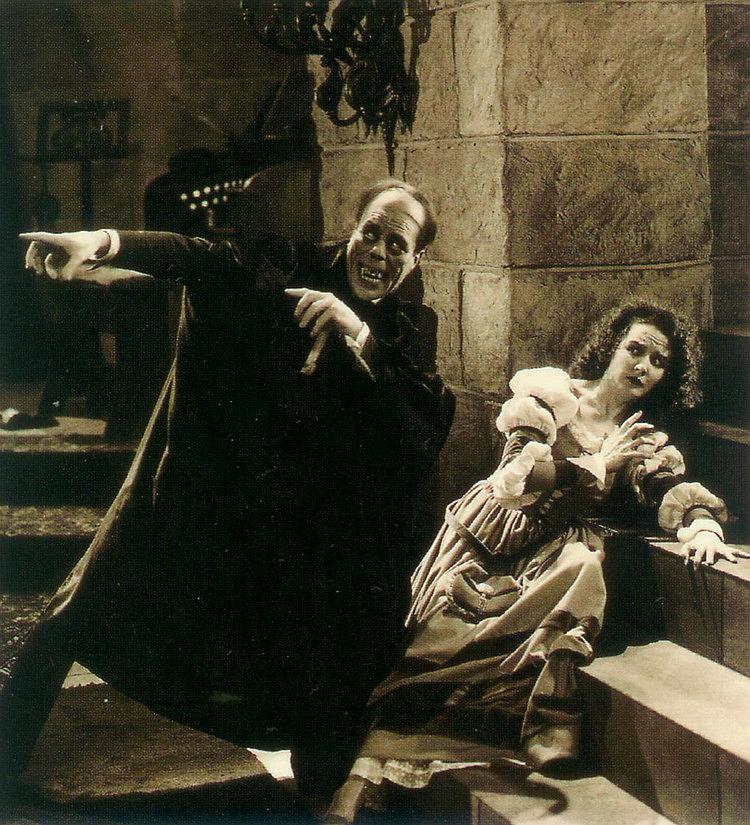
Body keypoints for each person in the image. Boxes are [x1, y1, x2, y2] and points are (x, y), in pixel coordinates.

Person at [1, 179, 455, 798]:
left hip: (318, 540)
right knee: (78, 613)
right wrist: (103, 243)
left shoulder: (409, 327)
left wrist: (358, 335)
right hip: (223, 496)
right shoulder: (290, 266)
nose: (377, 252)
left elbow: (421, 423)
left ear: (417, 259)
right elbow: (202, 257)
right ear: (351, 230)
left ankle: (320, 796)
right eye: (369, 232)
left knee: (329, 678)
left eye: (396, 244)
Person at [325, 301, 748, 822]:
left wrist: (701, 524)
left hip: (553, 554)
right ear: (611, 347)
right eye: (635, 349)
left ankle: (547, 715)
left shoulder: (643, 435)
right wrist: (600, 463)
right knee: (441, 645)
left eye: (658, 361)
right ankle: (359, 782)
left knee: (582, 564)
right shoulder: (553, 396)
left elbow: (665, 487)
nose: (642, 366)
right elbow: (519, 477)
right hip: (493, 538)